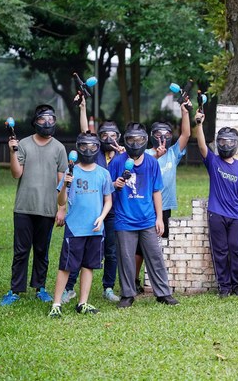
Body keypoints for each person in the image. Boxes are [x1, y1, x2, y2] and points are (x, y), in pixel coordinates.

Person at [1, 104, 68, 306]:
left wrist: (61, 208)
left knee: (42, 251)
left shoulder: (59, 148)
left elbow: (62, 183)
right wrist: (13, 151)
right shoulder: (23, 145)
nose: (47, 123)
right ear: (35, 121)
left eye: (51, 119)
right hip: (23, 207)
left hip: (47, 209)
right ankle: (15, 290)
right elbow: (16, 174)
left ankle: (40, 288)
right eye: (42, 119)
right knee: (21, 251)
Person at [61, 96, 124, 305]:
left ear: (119, 136)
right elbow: (83, 132)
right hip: (89, 209)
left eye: (112, 134)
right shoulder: (93, 151)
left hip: (111, 209)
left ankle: (108, 287)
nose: (108, 137)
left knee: (111, 251)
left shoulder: (123, 155)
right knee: (78, 250)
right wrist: (83, 107)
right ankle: (69, 288)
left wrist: (124, 157)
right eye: (104, 134)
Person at [109, 122, 179, 307]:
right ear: (126, 140)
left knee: (155, 257)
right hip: (124, 220)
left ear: (145, 140)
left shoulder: (151, 162)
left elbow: (156, 191)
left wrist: (158, 218)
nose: (134, 143)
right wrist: (114, 185)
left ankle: (163, 293)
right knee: (126, 260)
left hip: (147, 219)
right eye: (131, 139)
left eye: (138, 139)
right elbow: (106, 188)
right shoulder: (117, 162)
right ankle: (127, 294)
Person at [49, 133, 114, 317]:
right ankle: (56, 303)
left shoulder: (103, 173)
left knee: (89, 265)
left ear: (98, 148)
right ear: (78, 148)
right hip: (75, 228)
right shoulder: (71, 171)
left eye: (93, 146)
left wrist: (101, 217)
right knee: (66, 266)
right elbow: (61, 200)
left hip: (95, 229)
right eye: (84, 146)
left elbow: (108, 200)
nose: (88, 150)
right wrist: (65, 185)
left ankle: (83, 303)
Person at [134, 100, 192, 294]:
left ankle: (159, 282)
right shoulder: (145, 153)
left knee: (162, 245)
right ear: (151, 137)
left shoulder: (174, 153)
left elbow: (186, 134)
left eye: (166, 135)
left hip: (164, 208)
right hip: (145, 207)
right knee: (140, 249)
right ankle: (134, 280)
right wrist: (157, 157)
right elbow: (139, 171)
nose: (162, 138)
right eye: (158, 134)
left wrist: (185, 112)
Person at [195, 110, 238, 298]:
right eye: (222, 141)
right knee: (220, 250)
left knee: (236, 249)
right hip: (216, 213)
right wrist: (199, 124)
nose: (226, 145)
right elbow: (202, 146)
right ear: (218, 143)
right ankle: (224, 287)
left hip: (236, 215)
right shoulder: (213, 161)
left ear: (236, 144)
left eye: (230, 142)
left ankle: (237, 285)